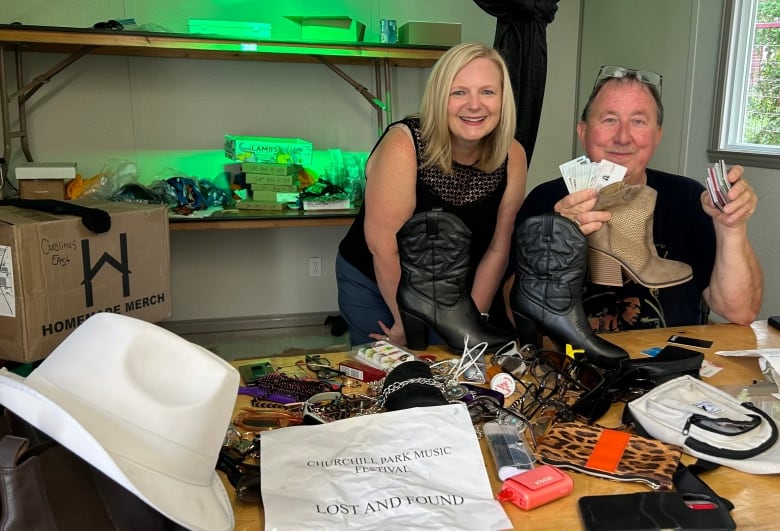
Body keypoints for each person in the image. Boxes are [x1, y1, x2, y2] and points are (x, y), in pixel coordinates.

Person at [512, 65, 762, 331]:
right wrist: (548, 247)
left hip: (668, 364)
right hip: (571, 363)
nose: (622, 137)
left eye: (638, 121)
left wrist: (731, 227)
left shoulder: (688, 199)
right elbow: (513, 314)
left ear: (657, 136)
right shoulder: (546, 200)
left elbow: (740, 311)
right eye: (609, 119)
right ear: (583, 132)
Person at [336, 42, 528, 346]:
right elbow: (384, 248)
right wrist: (403, 323)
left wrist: (470, 323)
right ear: (440, 98)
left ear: (504, 100)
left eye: (487, 92)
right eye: (459, 92)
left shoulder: (513, 155)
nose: (474, 105)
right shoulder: (404, 145)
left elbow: (497, 248)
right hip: (378, 281)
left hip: (454, 291)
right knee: (391, 378)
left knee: (453, 375)